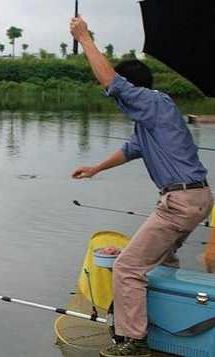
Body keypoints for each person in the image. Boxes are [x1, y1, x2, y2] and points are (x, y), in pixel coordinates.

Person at [69, 16, 213, 357]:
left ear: (134, 90)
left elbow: (112, 83)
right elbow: (131, 150)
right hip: (196, 198)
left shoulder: (150, 102)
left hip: (179, 201)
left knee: (128, 267)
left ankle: (132, 342)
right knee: (161, 262)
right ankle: (166, 325)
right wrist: (95, 169)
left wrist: (84, 37)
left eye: (121, 95)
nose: (116, 101)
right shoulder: (153, 117)